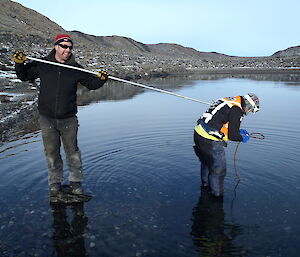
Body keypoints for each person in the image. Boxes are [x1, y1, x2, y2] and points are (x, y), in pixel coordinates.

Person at [13, 34, 109, 201]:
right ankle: (55, 186)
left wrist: (101, 79)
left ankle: (76, 185)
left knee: (73, 152)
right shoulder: (43, 64)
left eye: (70, 47)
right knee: (51, 153)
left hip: (68, 118)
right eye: (64, 46)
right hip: (47, 118)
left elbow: (92, 84)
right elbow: (24, 76)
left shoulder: (76, 68)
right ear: (56, 46)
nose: (67, 50)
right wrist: (19, 64)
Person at [193, 94, 260, 197]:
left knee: (206, 163)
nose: (249, 112)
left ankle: (205, 187)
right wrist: (242, 138)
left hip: (198, 133)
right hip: (210, 140)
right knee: (218, 170)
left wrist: (237, 131)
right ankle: (217, 198)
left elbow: (220, 118)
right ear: (248, 105)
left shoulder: (229, 100)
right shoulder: (237, 110)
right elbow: (233, 136)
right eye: (250, 110)